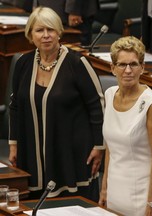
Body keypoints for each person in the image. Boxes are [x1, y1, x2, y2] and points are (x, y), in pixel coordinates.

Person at [8, 7, 105, 201]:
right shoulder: (23, 63)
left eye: (51, 30)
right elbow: (15, 106)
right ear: (30, 34)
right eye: (39, 30)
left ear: (59, 32)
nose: (46, 36)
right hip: (32, 152)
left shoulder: (77, 64)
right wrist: (14, 145)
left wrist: (99, 146)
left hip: (72, 153)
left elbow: (97, 105)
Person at [99, 36, 152, 216]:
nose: (128, 70)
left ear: (142, 68)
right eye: (122, 65)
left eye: (134, 64)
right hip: (115, 189)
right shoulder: (109, 94)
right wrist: (105, 187)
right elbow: (110, 148)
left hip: (143, 193)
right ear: (112, 68)